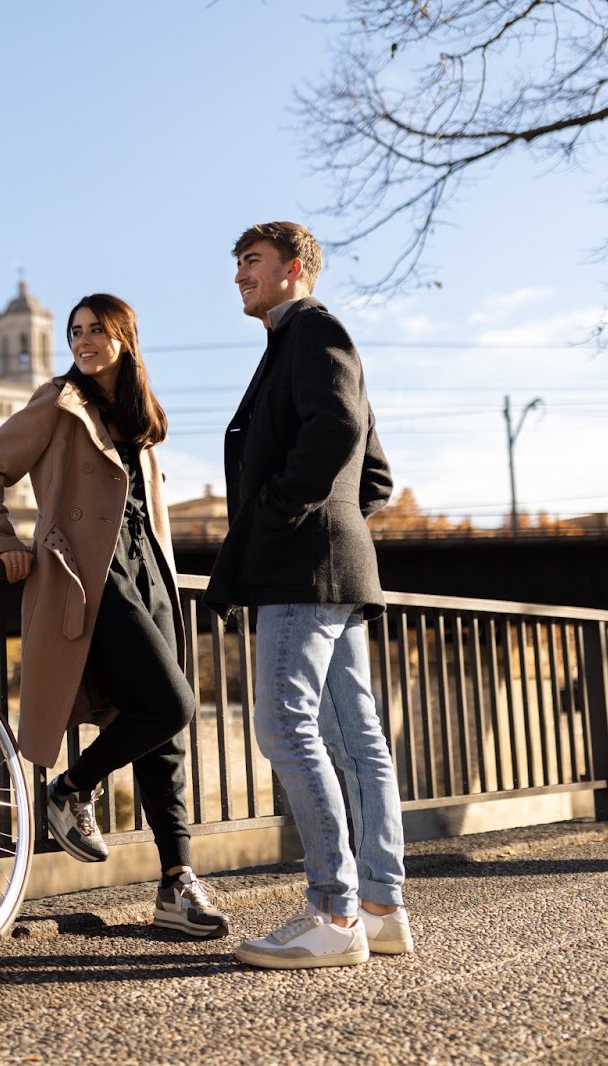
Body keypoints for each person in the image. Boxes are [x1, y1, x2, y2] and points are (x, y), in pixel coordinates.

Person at [0, 292, 229, 940]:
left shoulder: (140, 416)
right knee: (174, 703)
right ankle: (71, 789)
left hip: (151, 575)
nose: (82, 341)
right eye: (76, 332)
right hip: (92, 575)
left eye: (94, 331)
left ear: (124, 337)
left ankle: (177, 884)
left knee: (162, 735)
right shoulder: (56, 403)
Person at [204, 222, 412, 969]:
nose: (238, 276)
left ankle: (333, 912)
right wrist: (332, 524)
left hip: (303, 570)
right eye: (236, 264)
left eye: (251, 262)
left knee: (285, 729)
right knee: (358, 742)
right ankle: (382, 906)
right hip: (335, 568)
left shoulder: (312, 332)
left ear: (296, 268)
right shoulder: (306, 342)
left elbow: (337, 430)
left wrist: (278, 515)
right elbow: (376, 476)